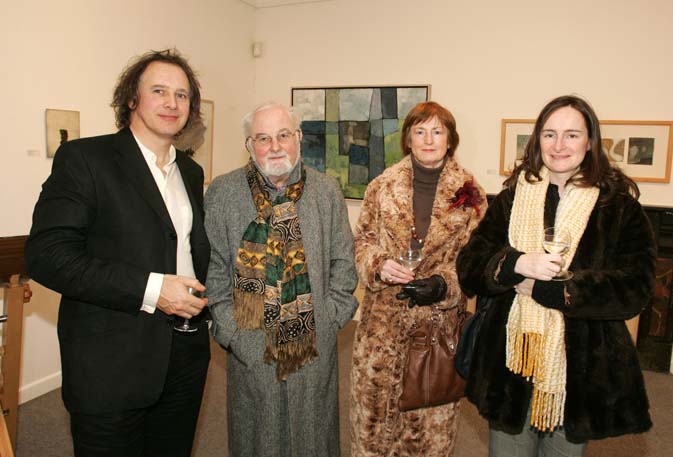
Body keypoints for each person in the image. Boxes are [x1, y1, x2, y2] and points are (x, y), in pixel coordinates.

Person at [25, 49, 211, 457]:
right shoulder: (86, 159)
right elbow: (46, 255)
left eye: (182, 95)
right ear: (132, 99)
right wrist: (152, 289)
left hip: (185, 354)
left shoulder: (191, 172)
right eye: (159, 90)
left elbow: (187, 251)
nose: (171, 103)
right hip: (111, 361)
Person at [456, 95, 655, 456]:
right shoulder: (512, 198)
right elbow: (469, 267)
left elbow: (635, 289)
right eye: (549, 134)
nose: (559, 145)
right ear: (537, 141)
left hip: (576, 373)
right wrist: (515, 263)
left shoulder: (618, 207)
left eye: (572, 135)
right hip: (509, 367)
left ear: (590, 142)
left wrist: (554, 290)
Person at [204, 102, 358, 457]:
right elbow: (213, 272)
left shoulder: (326, 190)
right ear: (249, 145)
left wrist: (330, 317)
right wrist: (234, 336)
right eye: (263, 138)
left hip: (314, 344)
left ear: (299, 138)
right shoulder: (224, 192)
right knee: (256, 438)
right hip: (251, 345)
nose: (275, 146)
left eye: (283, 135)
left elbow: (343, 264)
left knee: (314, 438)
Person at [350, 101, 487, 456]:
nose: (428, 139)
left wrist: (445, 284)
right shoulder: (381, 187)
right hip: (381, 332)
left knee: (426, 439)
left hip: (437, 336)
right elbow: (362, 242)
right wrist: (379, 265)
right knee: (374, 437)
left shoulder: (470, 194)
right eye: (420, 131)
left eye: (437, 131)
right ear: (408, 139)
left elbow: (478, 262)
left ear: (450, 139)